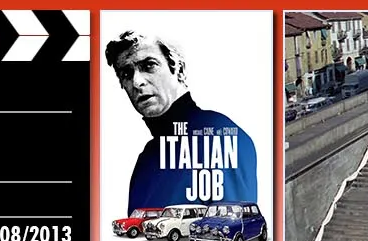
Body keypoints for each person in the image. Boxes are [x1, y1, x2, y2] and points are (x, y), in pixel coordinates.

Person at [107, 29, 258, 213]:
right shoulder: (147, 158)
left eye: (149, 66)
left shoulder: (219, 137)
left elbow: (230, 230)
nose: (137, 82)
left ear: (179, 70)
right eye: (126, 74)